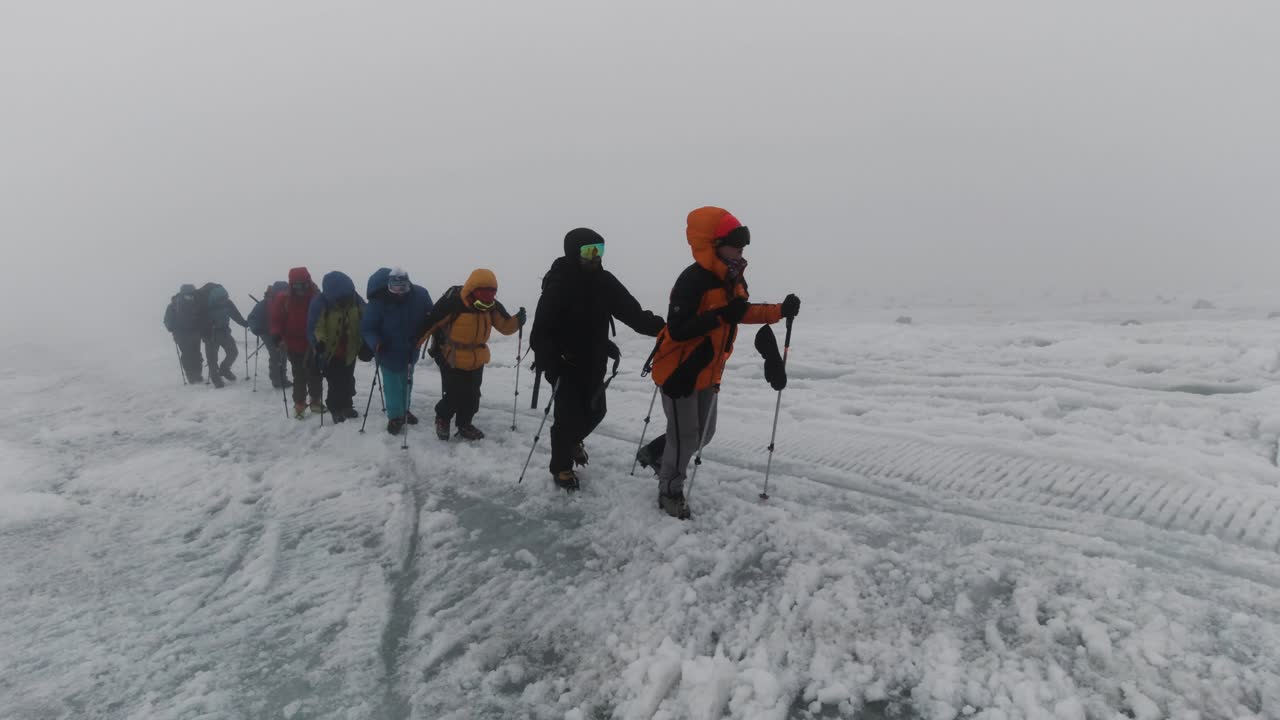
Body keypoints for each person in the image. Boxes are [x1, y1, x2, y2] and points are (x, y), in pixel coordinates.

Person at [643, 206, 800, 519]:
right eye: (735, 243)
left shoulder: (732, 278)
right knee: (685, 436)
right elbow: (678, 328)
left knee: (703, 434)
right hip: (679, 371)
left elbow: (740, 312)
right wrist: (718, 317)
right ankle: (670, 491)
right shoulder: (693, 280)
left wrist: (779, 310)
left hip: (709, 370)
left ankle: (654, 454)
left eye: (742, 244)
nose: (741, 249)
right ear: (713, 244)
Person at [530, 228, 665, 490]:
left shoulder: (604, 281)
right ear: (573, 252)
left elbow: (633, 314)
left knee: (596, 411)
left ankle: (572, 441)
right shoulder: (560, 282)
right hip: (564, 363)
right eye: (588, 251)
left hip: (594, 361)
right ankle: (561, 467)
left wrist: (667, 330)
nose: (594, 257)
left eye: (599, 251)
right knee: (567, 417)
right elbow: (541, 331)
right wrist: (551, 361)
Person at [421, 268, 525, 441]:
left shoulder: (491, 306)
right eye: (483, 292)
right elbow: (430, 324)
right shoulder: (453, 304)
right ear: (473, 289)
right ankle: (442, 418)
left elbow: (505, 327)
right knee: (455, 393)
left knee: (473, 395)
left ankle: (464, 424)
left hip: (477, 356)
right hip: (452, 356)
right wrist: (413, 345)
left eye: (492, 292)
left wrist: (517, 321)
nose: (488, 297)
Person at [361, 267, 434, 435]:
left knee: (407, 380)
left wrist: (427, 332)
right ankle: (395, 416)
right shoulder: (378, 301)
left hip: (411, 348)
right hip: (387, 350)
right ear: (388, 286)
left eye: (403, 287)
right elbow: (368, 328)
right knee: (393, 384)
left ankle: (404, 410)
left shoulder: (420, 295)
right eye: (395, 288)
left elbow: (431, 316)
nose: (400, 292)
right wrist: (376, 342)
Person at [307, 271, 367, 424]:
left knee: (347, 379)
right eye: (341, 298)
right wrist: (318, 342)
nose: (345, 301)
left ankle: (347, 405)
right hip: (330, 352)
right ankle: (335, 408)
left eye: (347, 296)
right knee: (335, 382)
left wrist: (367, 342)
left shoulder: (355, 299)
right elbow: (316, 326)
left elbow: (366, 319)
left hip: (350, 349)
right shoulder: (320, 303)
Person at [270, 267, 323, 419]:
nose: (300, 289)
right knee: (299, 374)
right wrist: (276, 335)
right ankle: (299, 404)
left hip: (313, 343)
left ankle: (315, 401)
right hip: (292, 344)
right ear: (291, 284)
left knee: (315, 373)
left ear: (309, 282)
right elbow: (276, 320)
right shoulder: (283, 298)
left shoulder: (316, 296)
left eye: (303, 285)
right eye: (297, 285)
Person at [197, 283, 249, 389]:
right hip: (213, 334)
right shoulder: (209, 305)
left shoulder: (224, 303)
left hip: (220, 333)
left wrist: (245, 323)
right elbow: (200, 321)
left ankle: (223, 371)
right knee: (218, 357)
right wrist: (244, 323)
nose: (223, 301)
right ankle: (217, 377)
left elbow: (235, 315)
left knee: (230, 353)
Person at [247, 281, 291, 389]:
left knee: (282, 354)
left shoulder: (286, 302)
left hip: (279, 333)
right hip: (266, 333)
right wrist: (256, 329)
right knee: (276, 355)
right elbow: (252, 317)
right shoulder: (264, 304)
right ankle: (277, 380)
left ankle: (282, 379)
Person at [163, 283, 204, 384]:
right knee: (193, 354)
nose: (190, 296)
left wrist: (172, 329)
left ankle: (193, 375)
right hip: (191, 334)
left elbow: (167, 321)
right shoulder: (194, 302)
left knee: (189, 354)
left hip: (183, 335)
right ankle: (195, 375)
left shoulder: (173, 305)